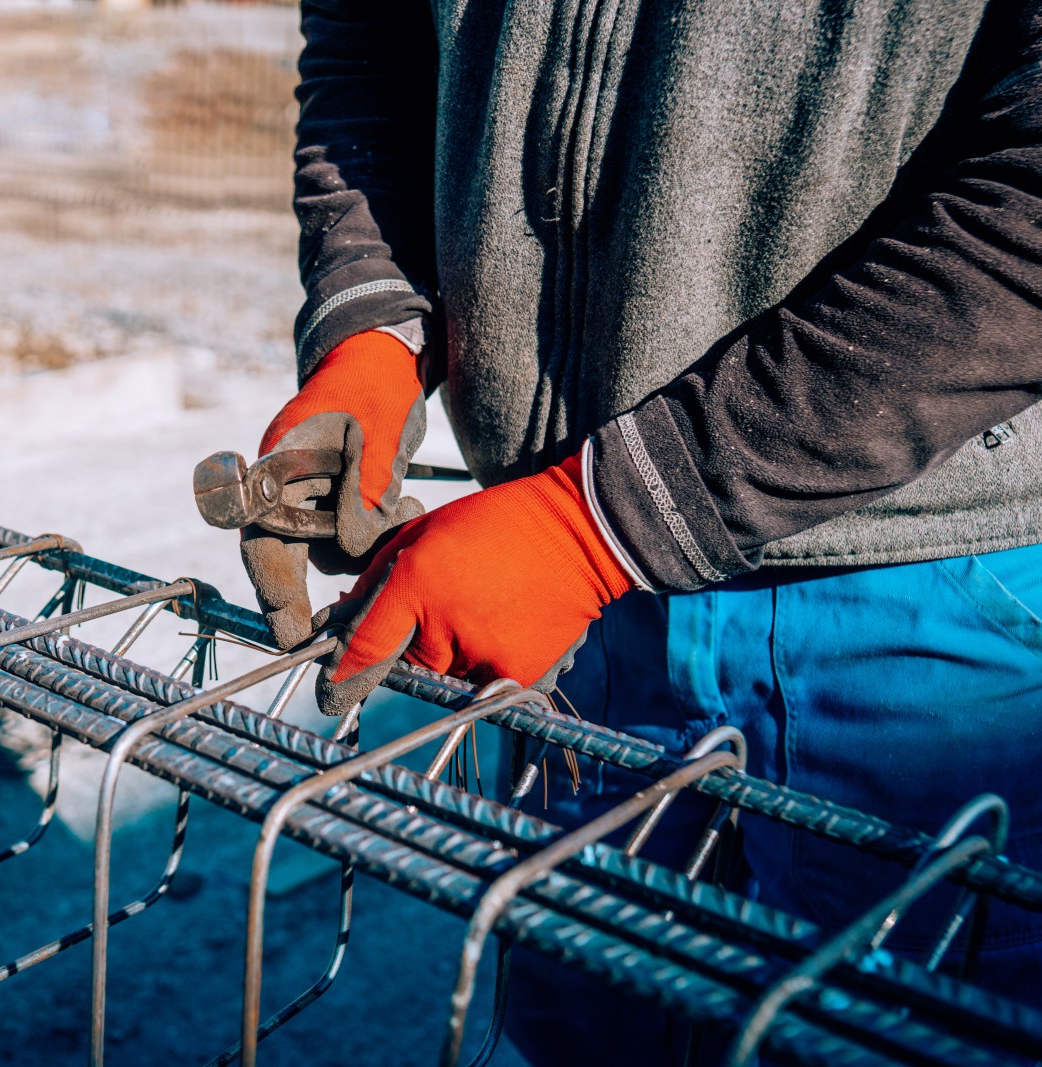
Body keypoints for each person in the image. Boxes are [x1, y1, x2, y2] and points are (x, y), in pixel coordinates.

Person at [240, 1, 1042, 1061]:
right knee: (592, 1025)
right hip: (557, 596)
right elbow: (369, 40)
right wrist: (375, 322)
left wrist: (598, 520)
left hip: (920, 573)